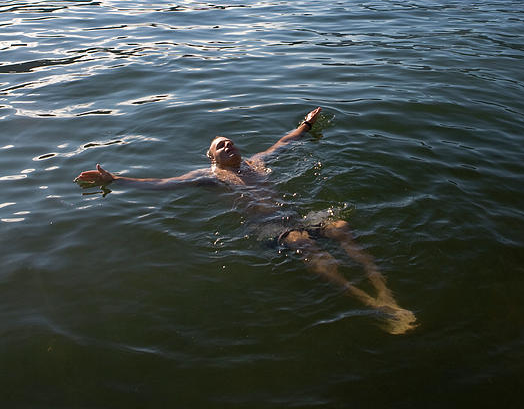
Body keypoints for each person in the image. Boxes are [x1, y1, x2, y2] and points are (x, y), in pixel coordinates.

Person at [75, 107, 416, 334]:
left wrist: (307, 125)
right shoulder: (210, 177)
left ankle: (383, 289)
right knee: (302, 242)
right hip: (266, 228)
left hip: (291, 216)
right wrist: (116, 180)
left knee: (340, 227)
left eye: (231, 141)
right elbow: (163, 184)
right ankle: (370, 303)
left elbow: (285, 142)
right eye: (221, 145)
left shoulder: (255, 164)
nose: (229, 145)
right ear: (212, 157)